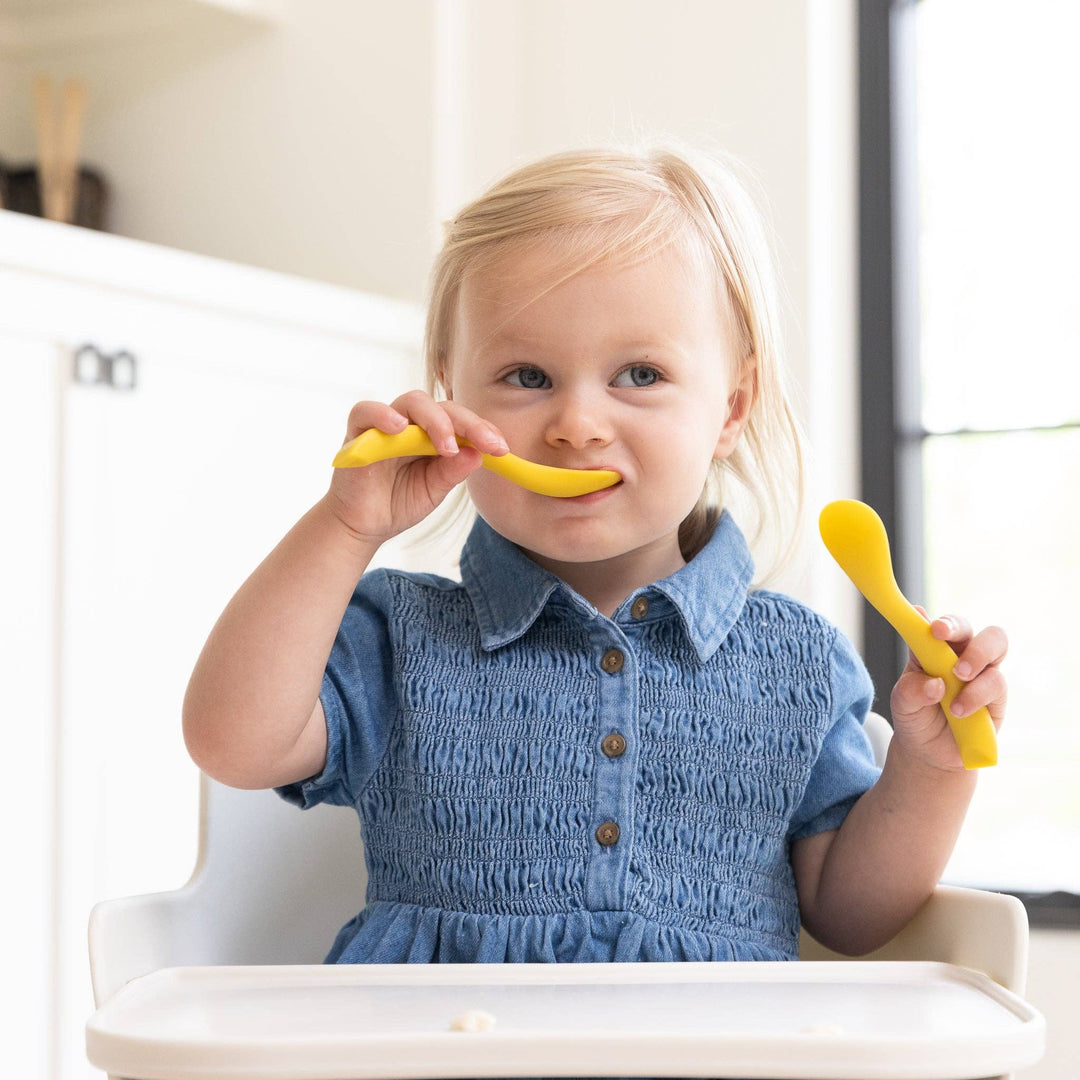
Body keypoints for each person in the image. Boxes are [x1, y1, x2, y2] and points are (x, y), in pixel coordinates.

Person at [183, 143, 1008, 967]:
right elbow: (234, 743)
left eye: (639, 374)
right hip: (430, 1035)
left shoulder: (801, 663)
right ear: (451, 397)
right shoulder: (398, 635)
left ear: (730, 409)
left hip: (713, 1039)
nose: (577, 425)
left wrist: (934, 767)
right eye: (527, 376)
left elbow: (850, 919)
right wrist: (345, 526)